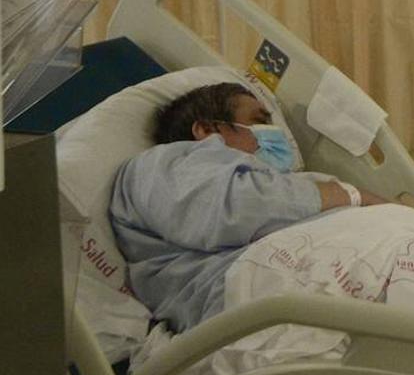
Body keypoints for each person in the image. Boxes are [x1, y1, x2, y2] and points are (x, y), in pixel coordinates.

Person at [109, 82, 391, 331]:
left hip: (332, 276)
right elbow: (230, 210)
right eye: (259, 122)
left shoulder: (288, 183)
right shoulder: (160, 164)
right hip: (255, 296)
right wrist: (354, 196)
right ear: (207, 130)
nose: (275, 134)